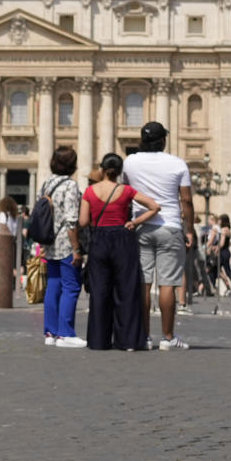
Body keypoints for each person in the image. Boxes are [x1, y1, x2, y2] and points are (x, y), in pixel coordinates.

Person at [122, 121, 194, 349]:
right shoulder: (178, 164)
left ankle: (143, 336)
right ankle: (168, 337)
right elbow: (187, 200)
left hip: (141, 226)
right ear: (163, 141)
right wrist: (189, 228)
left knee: (143, 283)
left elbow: (127, 192)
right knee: (167, 284)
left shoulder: (130, 162)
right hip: (170, 226)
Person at [78, 152, 160, 350]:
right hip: (123, 238)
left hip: (99, 240)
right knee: (126, 290)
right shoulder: (126, 190)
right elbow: (154, 206)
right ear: (119, 172)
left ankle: (99, 341)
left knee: (99, 291)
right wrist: (134, 221)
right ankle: (128, 341)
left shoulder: (90, 191)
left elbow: (83, 222)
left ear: (102, 170)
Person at [38, 145, 84, 347]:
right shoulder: (70, 186)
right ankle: (65, 333)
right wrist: (76, 248)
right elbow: (71, 220)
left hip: (49, 242)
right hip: (65, 242)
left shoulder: (46, 184)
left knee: (53, 286)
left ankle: (50, 332)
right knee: (71, 287)